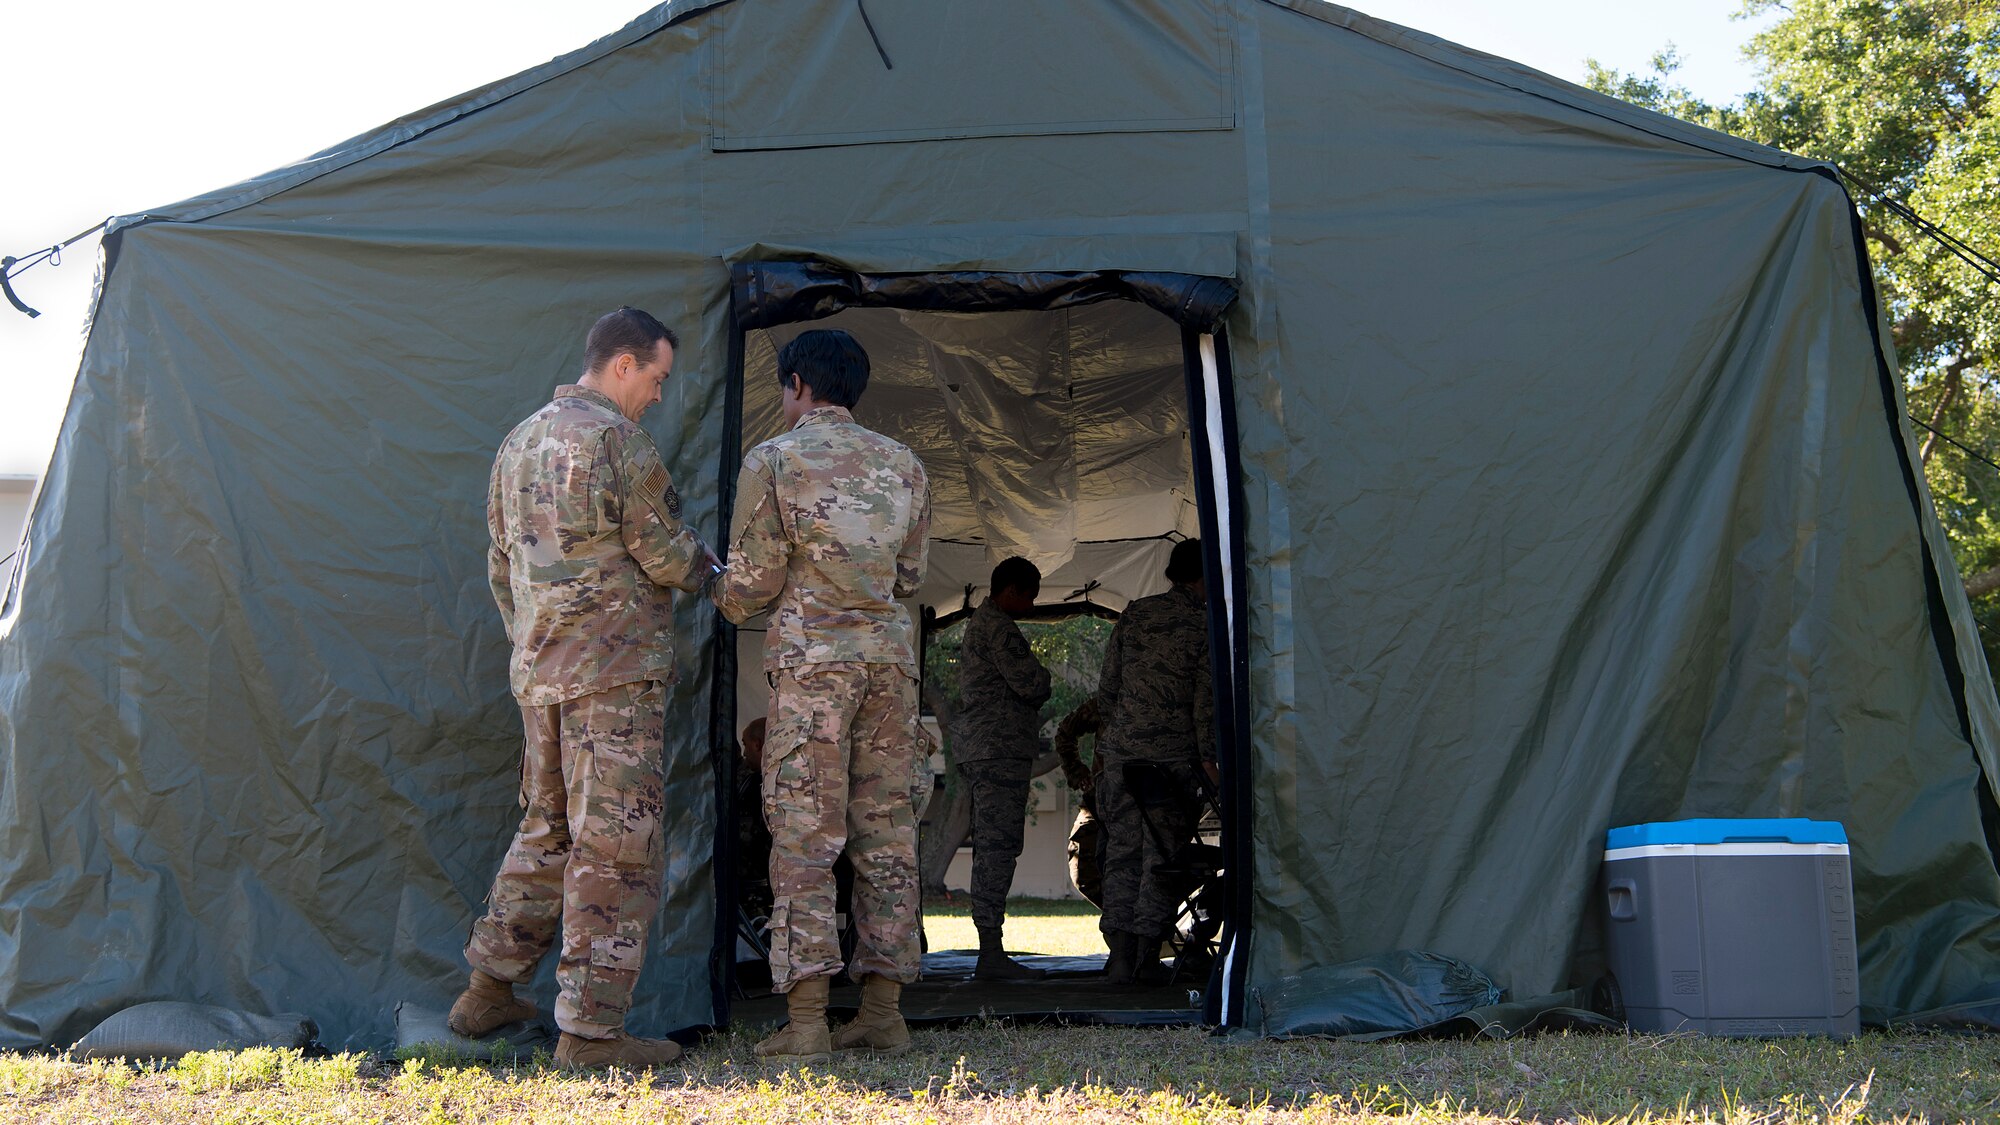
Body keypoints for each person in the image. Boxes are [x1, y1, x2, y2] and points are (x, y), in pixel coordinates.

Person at [449, 307, 721, 1069]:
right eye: (658, 378)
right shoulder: (616, 442)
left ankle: (487, 989)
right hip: (615, 680)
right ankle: (592, 1033)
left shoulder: (519, 441)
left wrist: (535, 644)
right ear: (624, 365)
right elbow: (667, 553)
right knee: (616, 849)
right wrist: (718, 575)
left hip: (542, 677)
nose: (660, 395)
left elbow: (502, 568)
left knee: (547, 831)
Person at [713, 328, 931, 1060]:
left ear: (797, 383)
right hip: (889, 669)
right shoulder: (903, 465)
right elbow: (908, 576)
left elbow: (751, 585)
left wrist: (711, 584)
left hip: (815, 674)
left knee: (805, 840)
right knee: (887, 837)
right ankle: (883, 1011)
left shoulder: (774, 460)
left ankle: (807, 1021)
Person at [1093, 539, 1216, 985]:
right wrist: (1209, 761)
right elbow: (1205, 704)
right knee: (1162, 859)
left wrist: (1120, 737)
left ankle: (1119, 957)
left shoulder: (1136, 614)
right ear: (1206, 577)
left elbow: (1107, 689)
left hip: (1123, 758)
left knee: (1121, 856)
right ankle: (1146, 957)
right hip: (1170, 763)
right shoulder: (1204, 624)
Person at [951, 557, 1054, 981]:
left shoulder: (985, 623)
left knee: (996, 846)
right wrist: (1044, 677)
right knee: (996, 848)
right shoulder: (999, 628)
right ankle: (990, 952)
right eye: (1028, 595)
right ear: (1010, 590)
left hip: (989, 749)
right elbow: (1033, 684)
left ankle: (991, 948)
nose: (1030, 605)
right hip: (998, 750)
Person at [1052, 695, 1105, 910]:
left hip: (1159, 802)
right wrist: (1076, 772)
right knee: (1083, 869)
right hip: (1103, 800)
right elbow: (1066, 731)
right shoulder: (1111, 698)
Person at [734, 718, 773, 925]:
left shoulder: (750, 785)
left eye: (745, 745)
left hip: (754, 891)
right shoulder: (792, 782)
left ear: (757, 744)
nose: (744, 753)